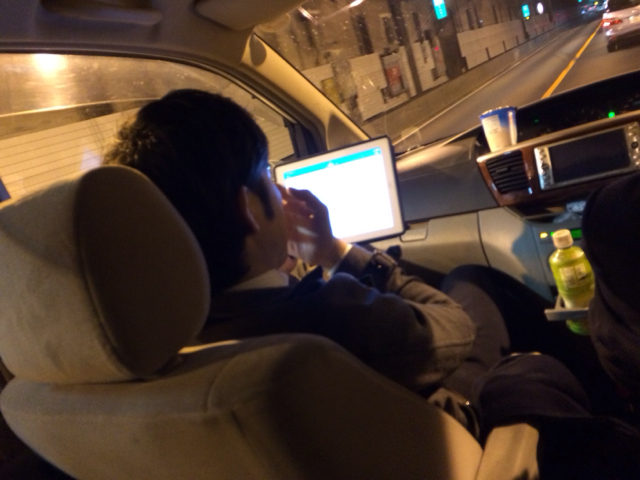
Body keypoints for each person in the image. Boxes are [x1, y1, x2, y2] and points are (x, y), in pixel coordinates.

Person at [103, 89, 477, 396]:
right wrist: (337, 253)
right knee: (472, 282)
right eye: (268, 175)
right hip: (455, 425)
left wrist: (270, 269)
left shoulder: (154, 350)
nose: (280, 190)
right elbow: (457, 328)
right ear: (247, 209)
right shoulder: (333, 315)